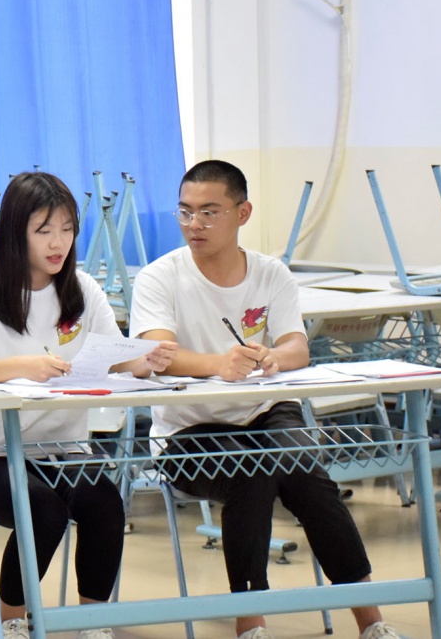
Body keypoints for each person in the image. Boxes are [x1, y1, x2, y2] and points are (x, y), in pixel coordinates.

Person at [128, 160, 402, 639]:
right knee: (250, 473)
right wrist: (219, 364)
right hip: (188, 431)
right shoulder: (160, 277)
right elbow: (158, 355)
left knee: (308, 475)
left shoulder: (271, 273)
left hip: (266, 411)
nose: (195, 224)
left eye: (209, 212)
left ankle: (370, 621)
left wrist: (274, 357)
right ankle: (250, 623)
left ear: (243, 213)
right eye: (185, 212)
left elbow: (297, 346)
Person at [0, 172, 177, 639]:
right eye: (44, 230)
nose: (58, 243)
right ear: (16, 233)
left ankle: (92, 622)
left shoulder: (83, 288)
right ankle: (10, 620)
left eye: (67, 229)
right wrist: (24, 366)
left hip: (66, 451)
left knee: (105, 503)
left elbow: (116, 357)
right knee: (42, 510)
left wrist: (146, 361)